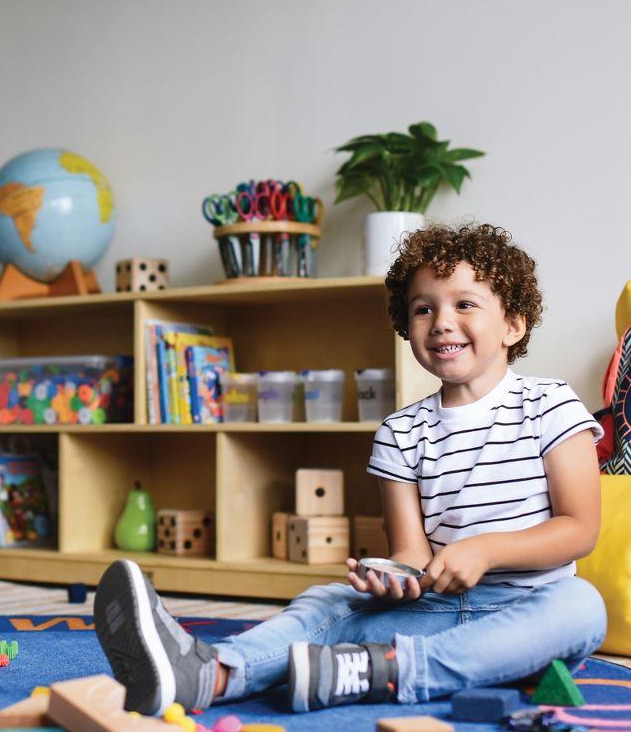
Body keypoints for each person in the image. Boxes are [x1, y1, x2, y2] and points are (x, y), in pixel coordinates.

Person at [93, 222, 607, 716]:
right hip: (435, 614)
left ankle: (392, 671)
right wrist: (394, 578)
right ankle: (212, 671)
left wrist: (488, 551)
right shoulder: (401, 433)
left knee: (582, 607)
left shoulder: (551, 405)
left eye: (465, 304)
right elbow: (412, 553)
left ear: (513, 324)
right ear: (408, 328)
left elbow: (579, 529)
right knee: (328, 602)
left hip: (529, 615)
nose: (442, 322)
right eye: (423, 309)